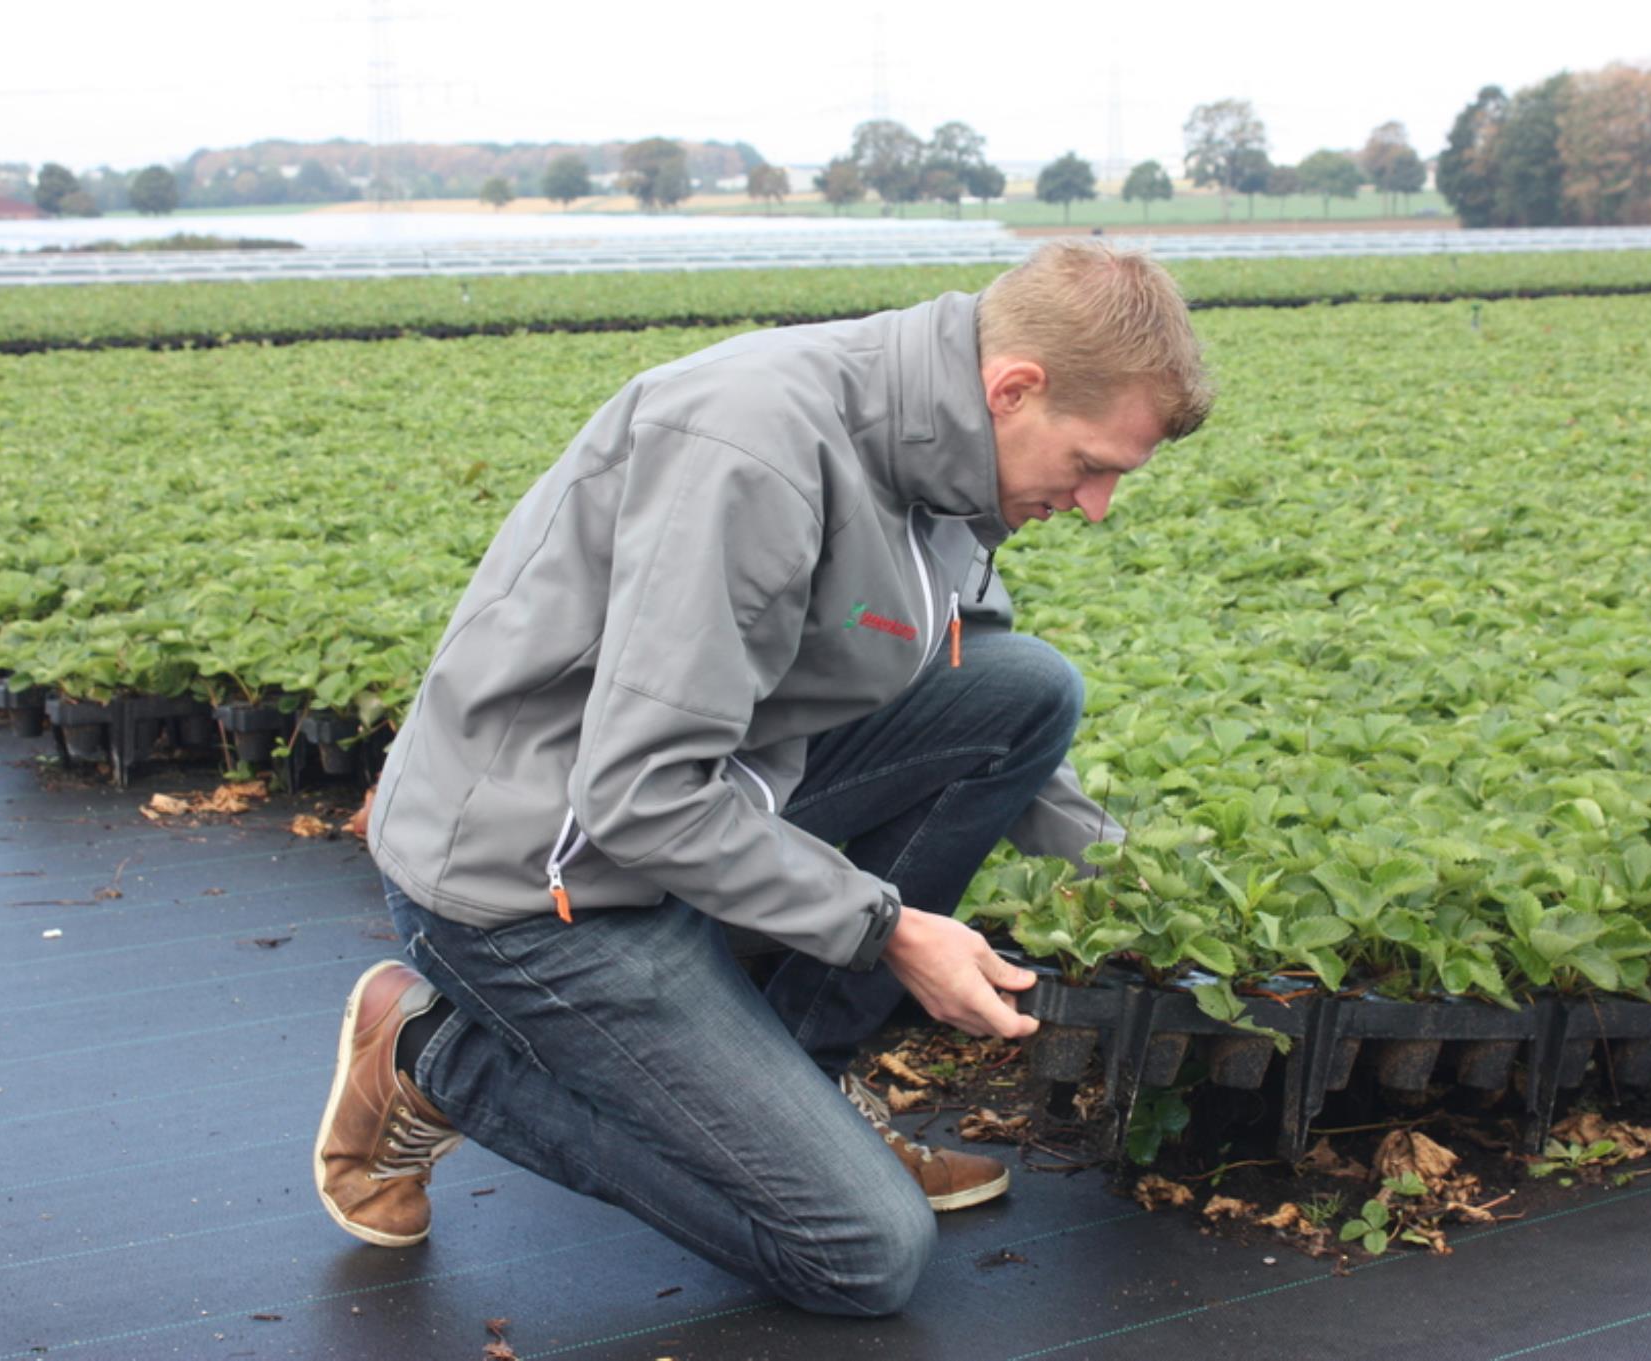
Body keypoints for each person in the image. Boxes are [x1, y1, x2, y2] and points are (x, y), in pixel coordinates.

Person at [313, 240, 1212, 1317]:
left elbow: (968, 652)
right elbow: (638, 793)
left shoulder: (946, 453)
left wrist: (1134, 881)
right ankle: (428, 1048)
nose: (1099, 502)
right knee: (862, 1249)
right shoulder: (756, 451)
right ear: (1013, 388)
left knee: (1024, 688)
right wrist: (886, 927)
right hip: (540, 881)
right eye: (1092, 464)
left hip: (701, 808)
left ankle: (796, 1085)